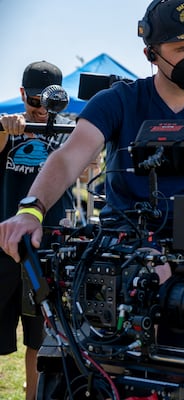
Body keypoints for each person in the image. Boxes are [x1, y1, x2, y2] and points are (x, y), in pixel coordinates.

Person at [0, 2, 184, 400]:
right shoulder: (119, 101)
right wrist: (31, 209)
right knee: (133, 302)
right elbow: (68, 158)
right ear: (152, 54)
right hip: (126, 246)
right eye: (182, 48)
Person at [0, 60, 75, 400]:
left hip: (45, 251)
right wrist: (7, 129)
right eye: (33, 101)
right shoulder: (8, 129)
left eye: (47, 102)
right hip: (3, 249)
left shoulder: (68, 133)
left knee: (39, 340)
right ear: (21, 96)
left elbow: (85, 173)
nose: (40, 110)